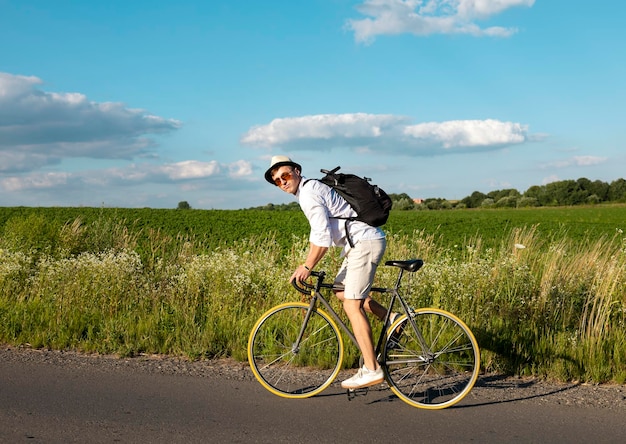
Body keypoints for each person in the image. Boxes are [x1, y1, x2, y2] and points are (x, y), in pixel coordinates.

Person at [264, 155, 397, 389]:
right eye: (277, 181)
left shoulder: (308, 193)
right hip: (359, 243)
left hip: (363, 243)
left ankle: (372, 369)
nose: (282, 182)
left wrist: (306, 266)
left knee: (351, 304)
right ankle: (392, 319)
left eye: (284, 175)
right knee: (341, 291)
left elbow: (321, 236)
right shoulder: (310, 189)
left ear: (296, 171)